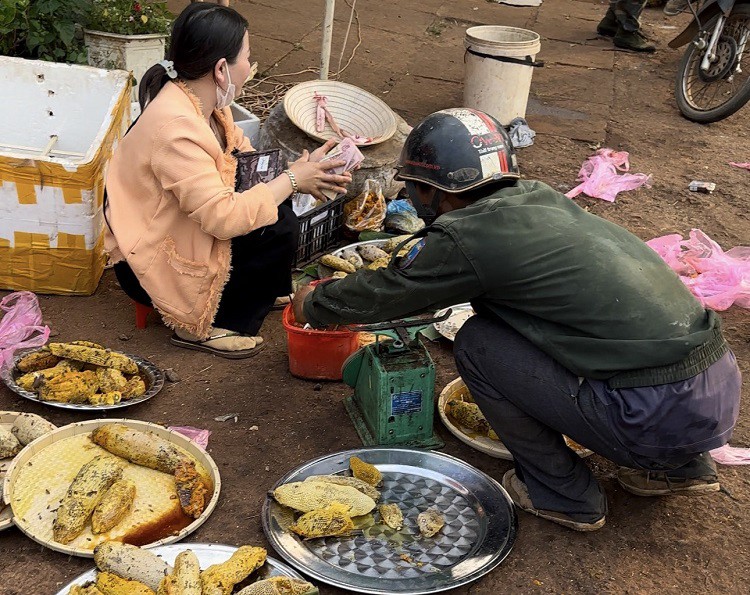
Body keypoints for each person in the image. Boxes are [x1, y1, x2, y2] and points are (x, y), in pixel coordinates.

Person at [292, 108, 742, 531]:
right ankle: (681, 467)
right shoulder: (538, 199)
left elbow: (385, 294)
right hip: (716, 390)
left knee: (478, 344)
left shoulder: (467, 234)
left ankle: (563, 494)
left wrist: (312, 301)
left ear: (429, 190)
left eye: (412, 186)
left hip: (651, 414)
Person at [105, 3, 351, 358]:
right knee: (274, 227)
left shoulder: (206, 106)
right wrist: (293, 180)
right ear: (221, 69)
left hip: (179, 227)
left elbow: (244, 161)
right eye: (247, 58)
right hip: (147, 262)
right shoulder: (176, 130)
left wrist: (298, 172)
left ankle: (262, 288)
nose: (250, 68)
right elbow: (222, 219)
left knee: (278, 211)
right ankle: (205, 327)